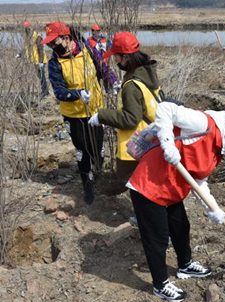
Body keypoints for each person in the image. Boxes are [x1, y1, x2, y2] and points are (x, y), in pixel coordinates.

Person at [126, 102, 225, 302]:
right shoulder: (203, 124)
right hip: (149, 184)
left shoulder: (219, 146)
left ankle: (185, 265)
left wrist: (213, 208)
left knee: (181, 227)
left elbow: (199, 180)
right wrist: (167, 143)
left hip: (172, 188)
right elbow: (165, 108)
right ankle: (160, 285)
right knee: (157, 237)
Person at [42, 21, 116, 205]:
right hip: (73, 114)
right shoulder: (54, 63)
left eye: (55, 42)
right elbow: (58, 90)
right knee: (82, 150)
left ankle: (98, 177)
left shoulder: (88, 50)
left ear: (66, 38)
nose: (53, 46)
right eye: (50, 43)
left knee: (97, 147)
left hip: (95, 111)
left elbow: (102, 68)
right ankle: (87, 185)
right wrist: (77, 94)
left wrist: (112, 82)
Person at [87, 32, 158, 190]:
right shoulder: (145, 75)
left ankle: (142, 214)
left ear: (125, 57)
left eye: (116, 56)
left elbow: (130, 119)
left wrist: (102, 115)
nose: (115, 60)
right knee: (147, 183)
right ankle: (143, 214)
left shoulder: (132, 85)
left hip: (135, 147)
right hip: (151, 141)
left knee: (136, 185)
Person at [22, 21, 49, 97]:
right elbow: (26, 48)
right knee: (40, 76)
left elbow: (41, 50)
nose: (26, 30)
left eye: (27, 28)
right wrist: (20, 54)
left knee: (42, 75)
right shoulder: (28, 37)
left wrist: (41, 62)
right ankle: (45, 91)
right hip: (35, 60)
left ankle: (45, 91)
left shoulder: (37, 37)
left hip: (40, 60)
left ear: (30, 27)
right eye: (25, 29)